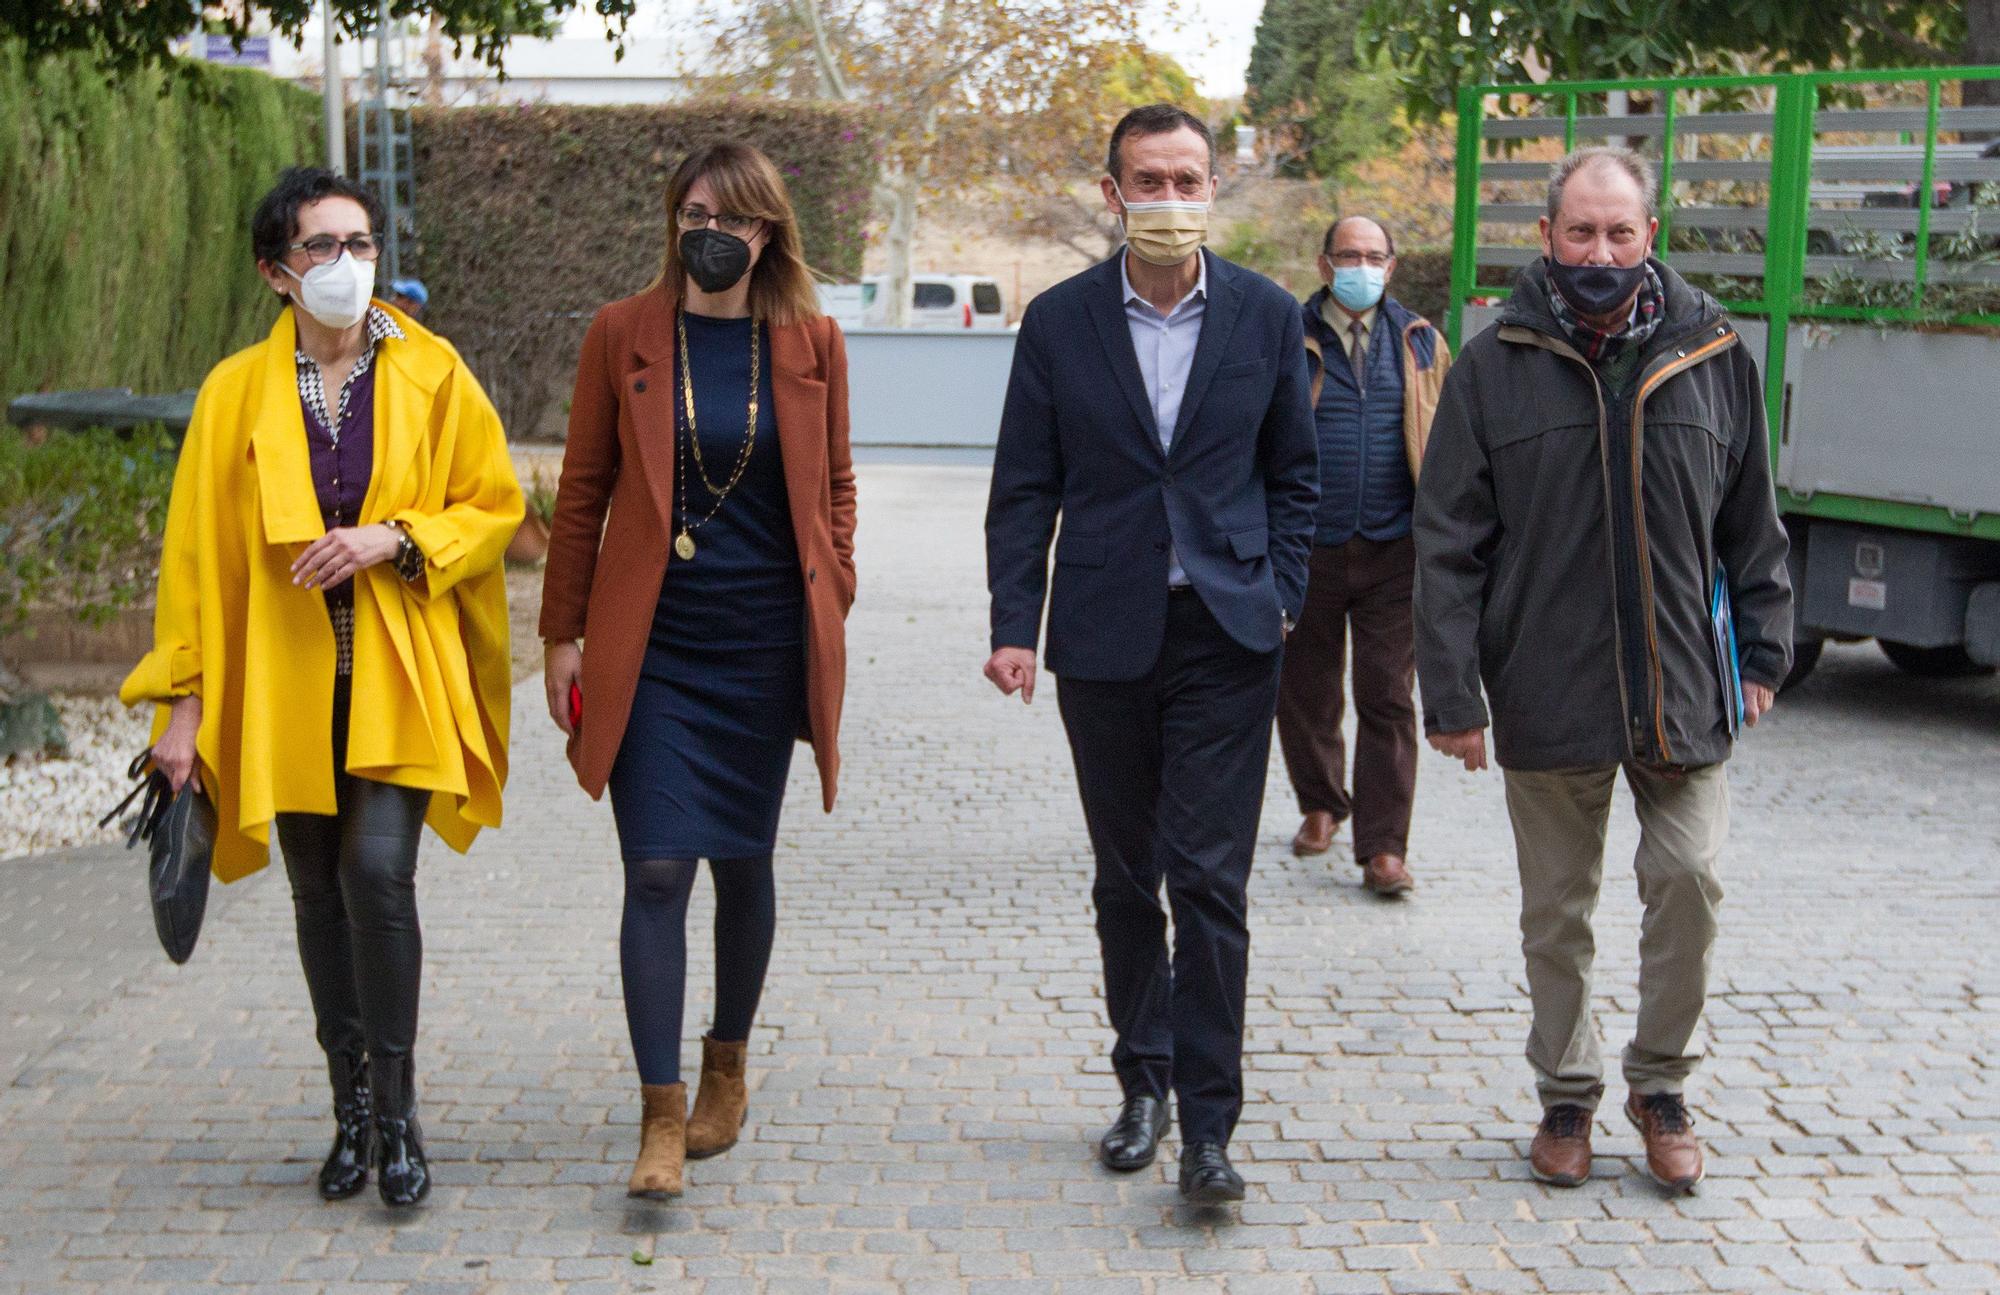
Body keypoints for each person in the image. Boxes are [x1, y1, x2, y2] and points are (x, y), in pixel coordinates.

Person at [122, 166, 523, 1207]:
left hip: (397, 675)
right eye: (321, 248)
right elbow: (195, 559)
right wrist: (184, 703)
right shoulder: (231, 396)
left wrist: (397, 535)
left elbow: (494, 506)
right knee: (315, 895)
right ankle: (347, 1109)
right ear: (275, 270)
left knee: (377, 874)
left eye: (361, 244)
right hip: (283, 686)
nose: (347, 265)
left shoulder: (434, 373)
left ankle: (398, 1114)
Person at [1414, 146, 1792, 1193]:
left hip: (1680, 688)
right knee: (1556, 911)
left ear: (1649, 238)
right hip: (1544, 682)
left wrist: (1763, 647)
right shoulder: (1492, 365)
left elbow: (1751, 521)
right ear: (1544, 237)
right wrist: (1451, 693)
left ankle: (1659, 1082)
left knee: (1688, 878)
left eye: (1618, 234)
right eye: (1578, 233)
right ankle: (1566, 1094)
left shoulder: (1714, 353)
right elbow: (1446, 540)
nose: (1597, 252)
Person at [983, 103, 1318, 1205]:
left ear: (1212, 189)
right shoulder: (1061, 322)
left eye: (1186, 179)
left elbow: (1294, 474)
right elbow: (1024, 482)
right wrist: (1010, 625)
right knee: (1126, 878)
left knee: (1208, 881)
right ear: (1112, 192)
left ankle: (1209, 1128)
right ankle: (1143, 1079)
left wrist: (1281, 596)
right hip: (1105, 633)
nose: (1167, 199)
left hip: (1226, 636)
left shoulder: (1267, 317)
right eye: (1146, 180)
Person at [540, 141, 856, 1201]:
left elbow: (839, 485)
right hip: (656, 646)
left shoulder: (809, 340)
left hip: (763, 642)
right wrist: (561, 635)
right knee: (656, 869)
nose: (712, 231)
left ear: (768, 233)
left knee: (742, 863)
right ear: (673, 218)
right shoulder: (620, 332)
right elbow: (580, 494)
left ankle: (728, 1061)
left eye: (736, 217)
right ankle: (661, 1113)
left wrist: (834, 584)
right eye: (695, 210)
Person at [1277, 215, 1451, 895]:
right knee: (1305, 689)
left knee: (1386, 693)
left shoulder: (1421, 342)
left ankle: (1384, 848)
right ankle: (1321, 805)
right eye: (1348, 255)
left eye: (1374, 255)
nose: (1361, 266)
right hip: (1306, 545)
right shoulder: (1285, 336)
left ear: (1392, 265)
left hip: (1393, 546)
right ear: (1324, 265)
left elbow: (1449, 435)